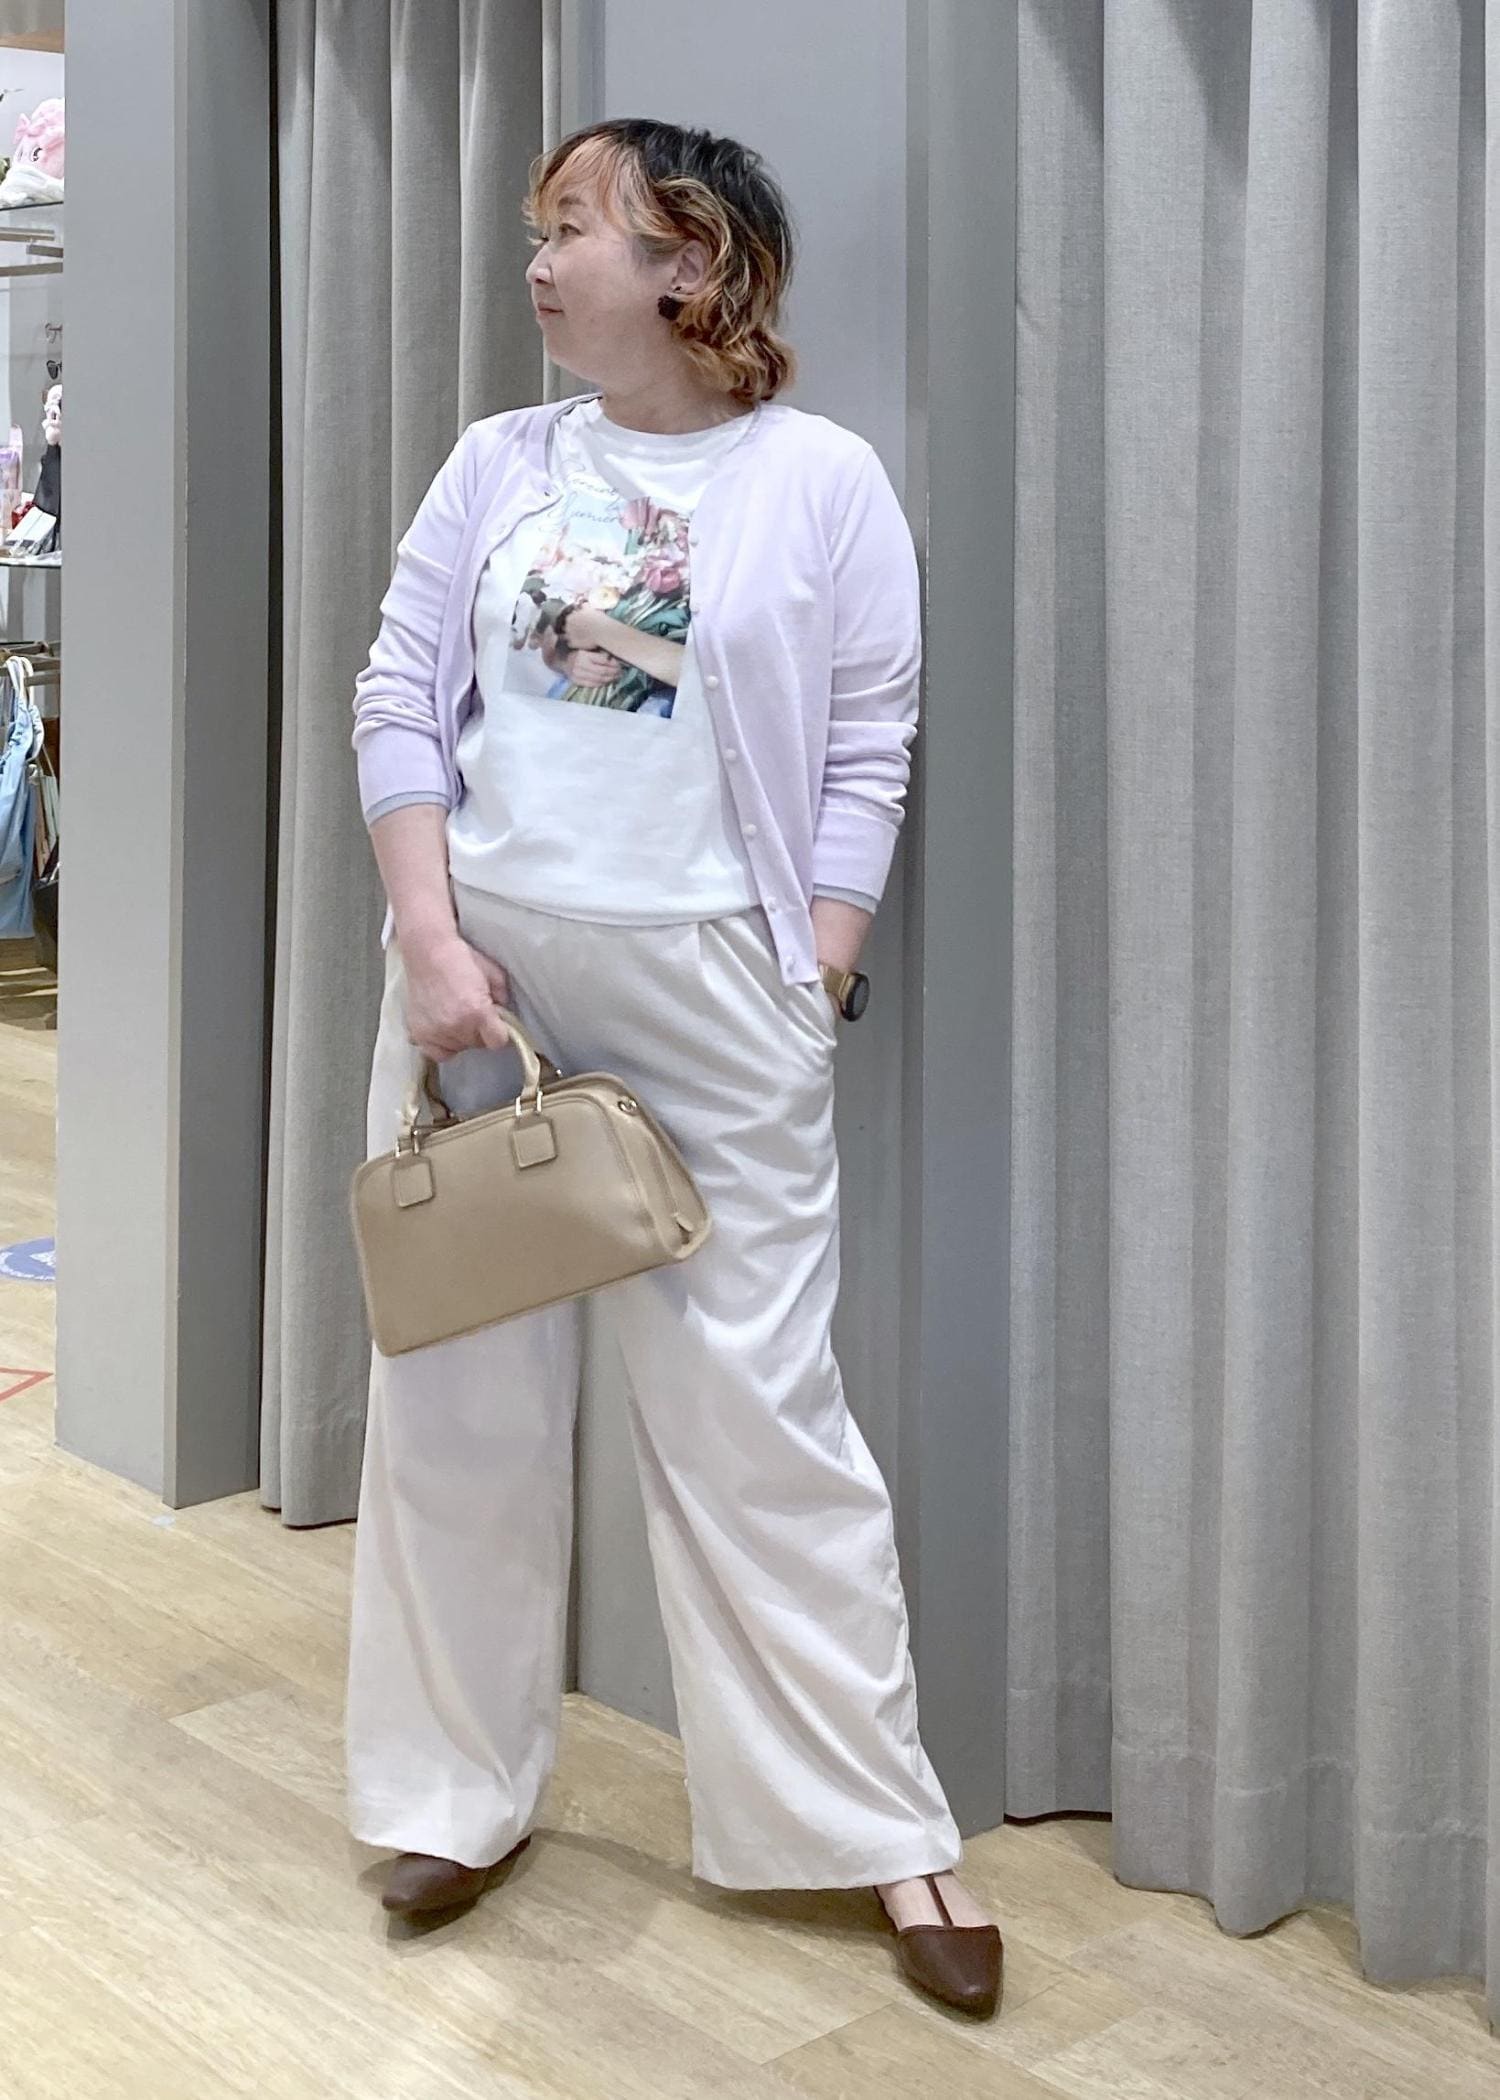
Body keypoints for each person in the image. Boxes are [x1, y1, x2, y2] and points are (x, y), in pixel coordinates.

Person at [345, 115, 1003, 2021]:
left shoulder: (821, 480)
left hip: (720, 983)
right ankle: (453, 1796)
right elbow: (400, 694)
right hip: (485, 983)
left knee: (760, 1414)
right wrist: (428, 940)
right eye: (538, 227)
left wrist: (821, 964)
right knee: (458, 1401)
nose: (539, 261)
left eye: (577, 227)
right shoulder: (499, 462)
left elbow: (870, 734)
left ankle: (878, 1827)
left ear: (691, 261)